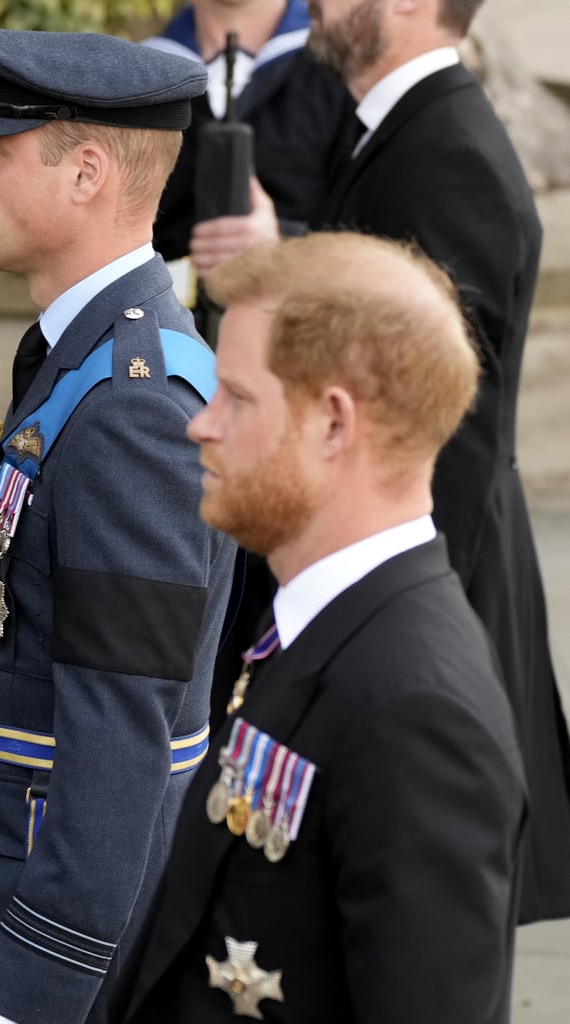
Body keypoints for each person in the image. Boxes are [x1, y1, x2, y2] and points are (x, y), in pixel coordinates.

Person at [0, 24, 236, 1024]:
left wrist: (17, 1002)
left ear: (85, 174)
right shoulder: (89, 354)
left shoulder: (131, 407)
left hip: (24, 935)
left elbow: (122, 750)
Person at [123, 231, 528, 1024]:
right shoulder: (322, 620)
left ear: (334, 425)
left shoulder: (415, 709)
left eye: (235, 398)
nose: (198, 426)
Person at [298, 0, 570, 926]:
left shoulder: (442, 152)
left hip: (427, 579)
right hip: (409, 578)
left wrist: (395, 609)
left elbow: (447, 423)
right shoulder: (400, 131)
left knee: (421, 901)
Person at [144, 0, 353, 321]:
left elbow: (383, 226)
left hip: (306, 332)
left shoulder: (345, 65)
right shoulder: (142, 74)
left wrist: (285, 242)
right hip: (164, 340)